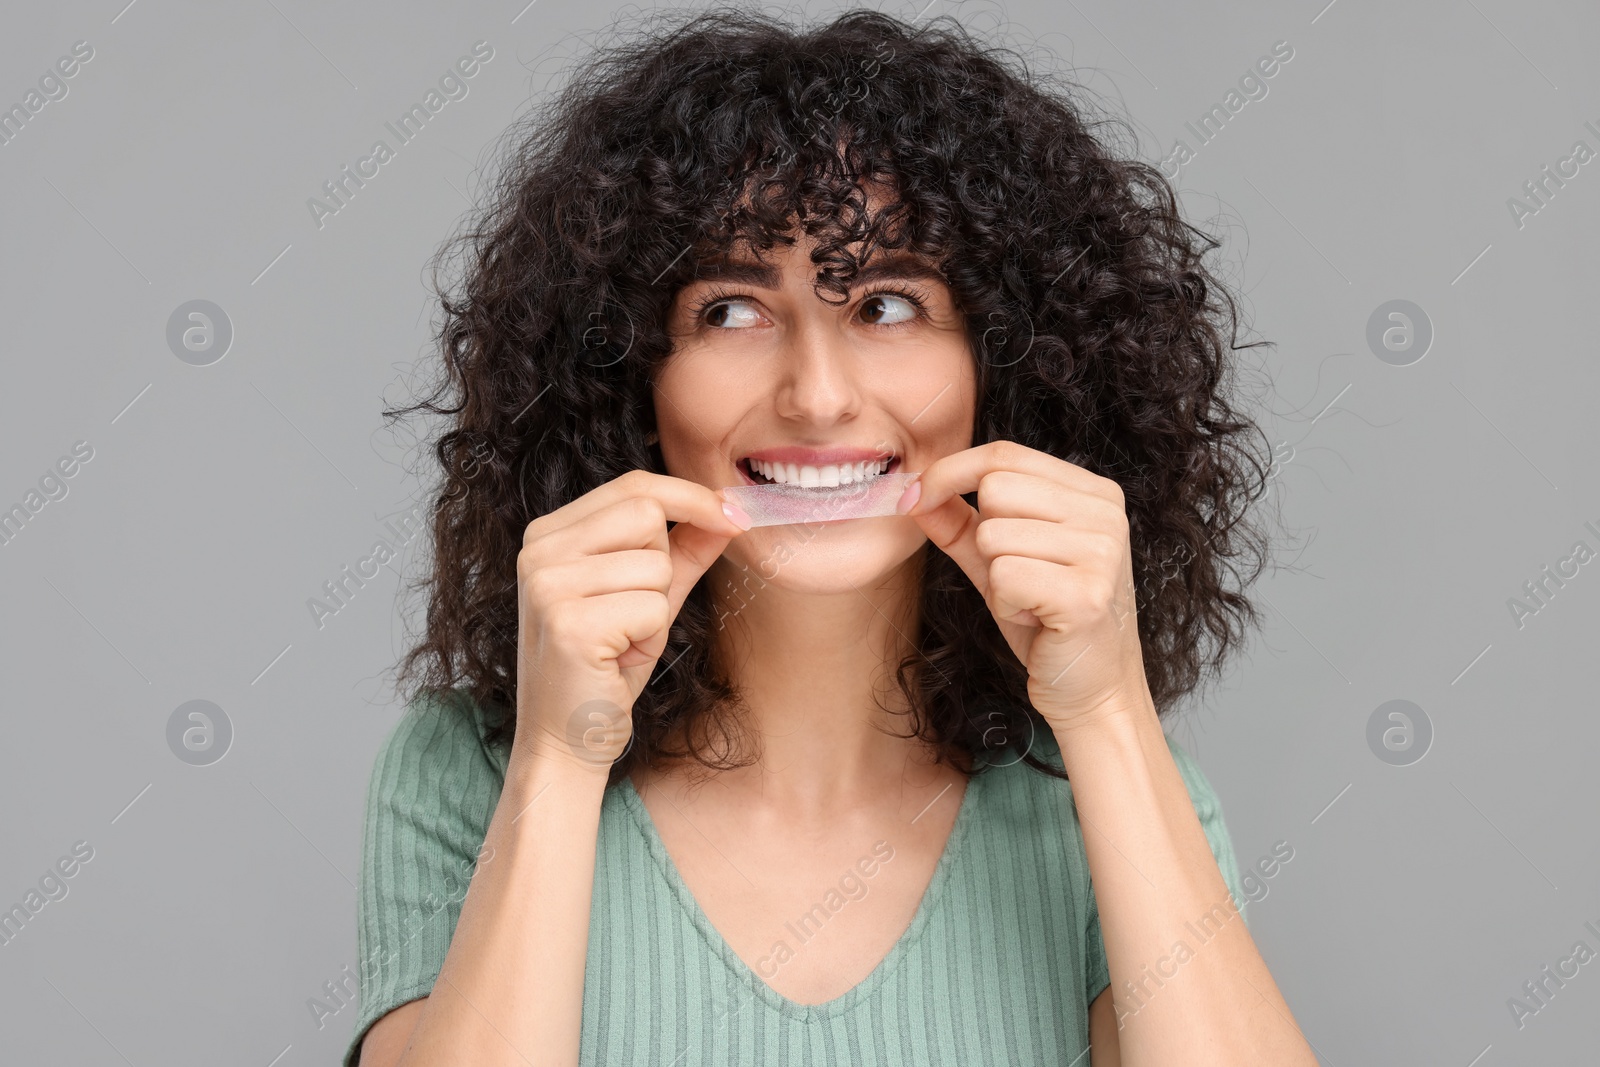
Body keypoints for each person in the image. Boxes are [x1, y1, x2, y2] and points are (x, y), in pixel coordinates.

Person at [348, 8, 1316, 1065]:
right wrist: (558, 760)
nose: (816, 397)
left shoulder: (1120, 801)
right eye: (729, 311)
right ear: (629, 375)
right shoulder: (467, 776)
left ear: (1007, 365)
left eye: (889, 304)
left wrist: (1109, 715)